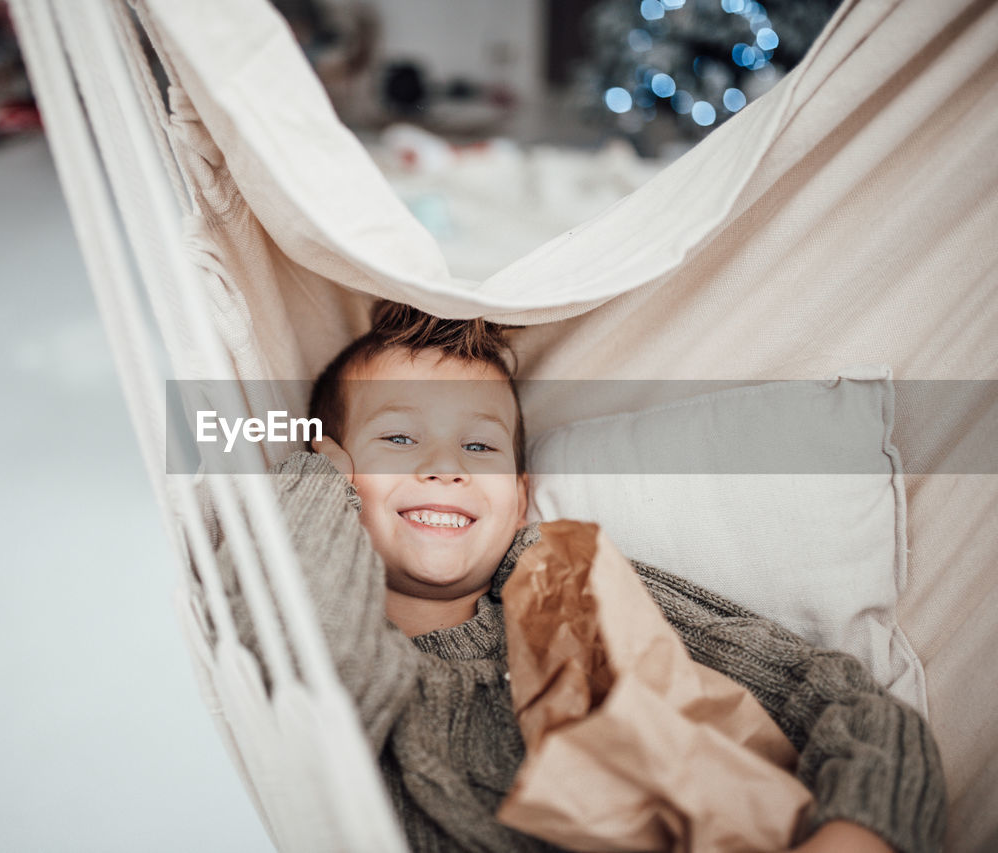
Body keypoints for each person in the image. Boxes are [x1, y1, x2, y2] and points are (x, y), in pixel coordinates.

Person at [207, 301, 945, 853]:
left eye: (479, 445)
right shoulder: (344, 638)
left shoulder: (565, 582)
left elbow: (843, 702)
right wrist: (313, 470)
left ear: (521, 495)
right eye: (398, 438)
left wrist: (854, 833)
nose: (447, 466)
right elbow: (312, 675)